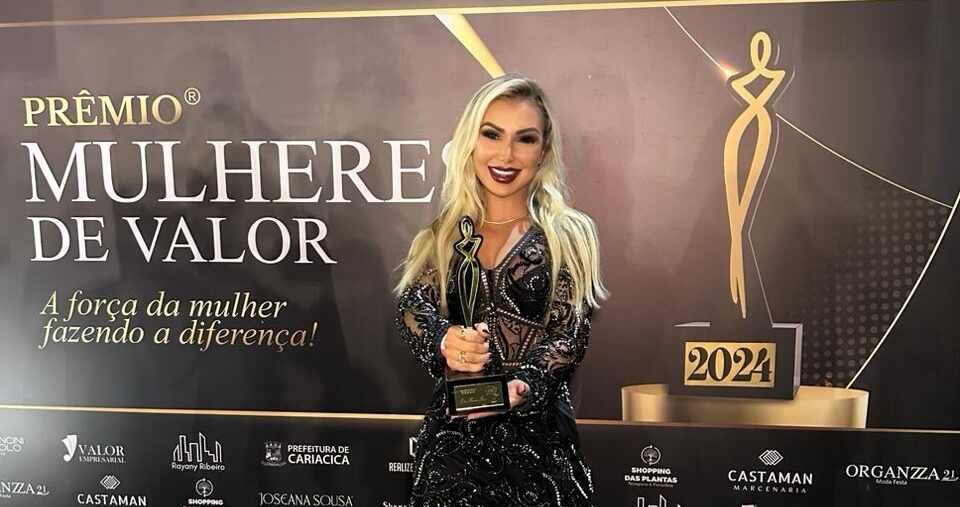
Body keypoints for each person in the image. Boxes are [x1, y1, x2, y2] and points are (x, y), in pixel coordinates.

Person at [394, 73, 607, 507]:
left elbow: (568, 335)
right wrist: (444, 339)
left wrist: (522, 386)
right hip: (453, 453)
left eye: (524, 139)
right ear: (470, 141)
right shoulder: (441, 237)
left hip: (539, 455)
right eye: (492, 134)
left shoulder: (569, 235)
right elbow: (412, 307)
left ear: (543, 151)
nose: (506, 154)